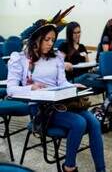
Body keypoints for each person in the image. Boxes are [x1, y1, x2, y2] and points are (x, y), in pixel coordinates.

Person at [6, 21, 106, 172]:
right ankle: (69, 167)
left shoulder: (56, 56)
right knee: (79, 123)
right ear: (36, 39)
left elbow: (62, 82)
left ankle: (101, 169)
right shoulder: (20, 58)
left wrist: (73, 86)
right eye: (46, 39)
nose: (50, 43)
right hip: (41, 108)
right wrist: (31, 87)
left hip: (62, 102)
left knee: (94, 123)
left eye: (52, 40)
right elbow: (11, 90)